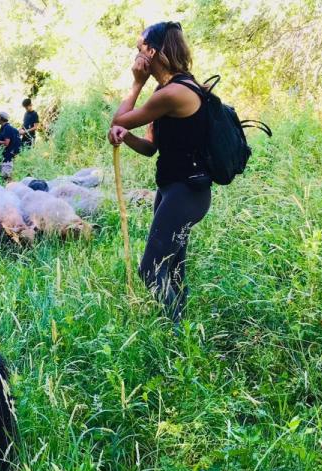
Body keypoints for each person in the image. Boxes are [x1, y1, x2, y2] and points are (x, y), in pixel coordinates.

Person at [107, 21, 209, 329]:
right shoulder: (166, 91)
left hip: (187, 193)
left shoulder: (175, 92)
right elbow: (151, 147)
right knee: (173, 266)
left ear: (153, 52)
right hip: (173, 191)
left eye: (139, 49)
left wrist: (136, 83)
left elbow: (120, 117)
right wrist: (126, 138)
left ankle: (174, 328)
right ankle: (182, 330)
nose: (136, 56)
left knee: (150, 268)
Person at [0, 111, 21, 183]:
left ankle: (11, 191)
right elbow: (1, 140)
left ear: (1, 118)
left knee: (6, 178)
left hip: (7, 158)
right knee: (3, 178)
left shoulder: (7, 128)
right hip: (2, 157)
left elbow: (6, 143)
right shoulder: (3, 128)